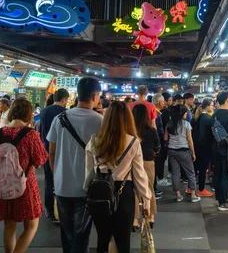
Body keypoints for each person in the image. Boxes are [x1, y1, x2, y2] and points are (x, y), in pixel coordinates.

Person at [84, 101, 151, 253]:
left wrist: (87, 192)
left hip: (100, 191)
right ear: (128, 119)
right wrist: (145, 200)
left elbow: (89, 172)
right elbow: (140, 175)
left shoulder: (95, 140)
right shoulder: (133, 142)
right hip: (124, 193)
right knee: (123, 241)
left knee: (102, 238)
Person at [47, 77, 103, 253]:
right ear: (95, 96)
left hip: (62, 186)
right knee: (82, 237)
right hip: (87, 187)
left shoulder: (59, 118)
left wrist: (57, 176)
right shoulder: (100, 121)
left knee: (67, 234)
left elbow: (52, 153)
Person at [0, 98, 48, 253]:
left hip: (3, 183)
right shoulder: (31, 135)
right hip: (25, 184)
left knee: (9, 226)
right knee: (31, 226)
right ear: (29, 114)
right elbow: (40, 160)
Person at [39, 88, 69, 223]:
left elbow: (41, 130)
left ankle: (49, 211)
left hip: (46, 148)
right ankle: (61, 210)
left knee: (49, 181)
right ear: (64, 99)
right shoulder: (65, 113)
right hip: (61, 150)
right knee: (62, 180)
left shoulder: (44, 111)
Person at [131, 104, 160, 230]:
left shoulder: (130, 130)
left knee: (134, 190)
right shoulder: (152, 130)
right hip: (148, 161)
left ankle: (134, 220)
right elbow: (158, 146)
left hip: (132, 162)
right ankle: (150, 217)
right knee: (149, 189)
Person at [165, 104, 201, 203]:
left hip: (172, 151)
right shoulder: (186, 124)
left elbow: (165, 138)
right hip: (184, 151)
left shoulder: (169, 124)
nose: (186, 114)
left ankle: (178, 195)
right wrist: (193, 152)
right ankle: (193, 195)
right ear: (182, 114)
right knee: (190, 173)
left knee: (175, 173)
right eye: (185, 113)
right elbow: (190, 140)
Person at [193, 98, 215, 197]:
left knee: (194, 168)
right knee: (203, 169)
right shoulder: (207, 118)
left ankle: (191, 188)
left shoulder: (196, 117)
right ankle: (201, 189)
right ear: (206, 106)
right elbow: (207, 134)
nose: (213, 107)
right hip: (205, 147)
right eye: (211, 105)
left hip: (195, 146)